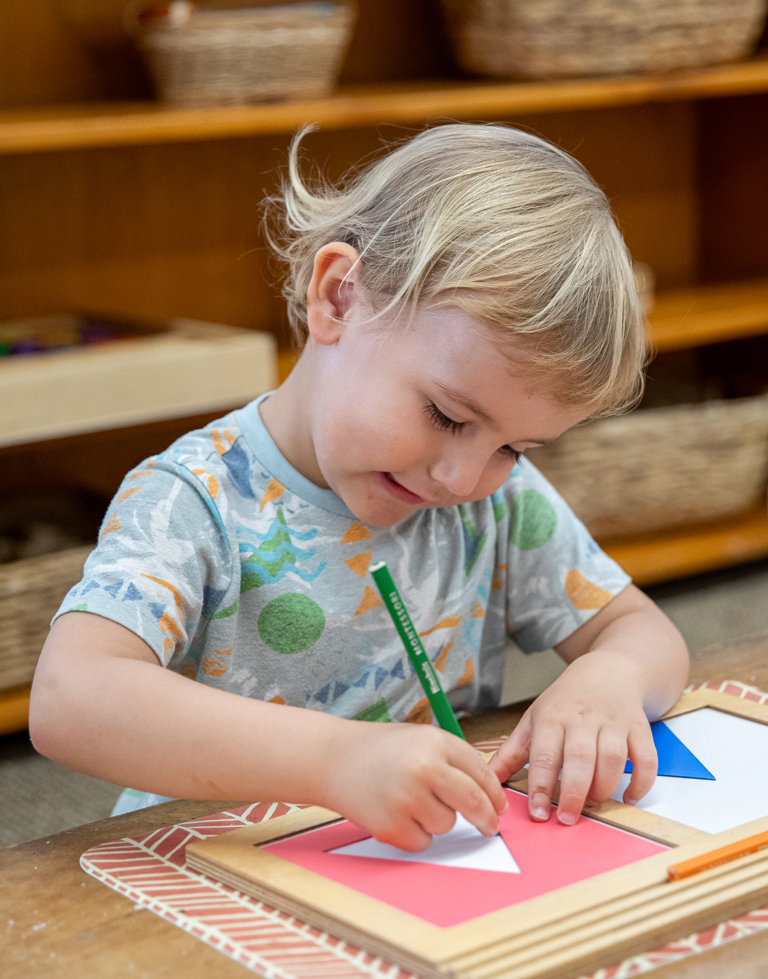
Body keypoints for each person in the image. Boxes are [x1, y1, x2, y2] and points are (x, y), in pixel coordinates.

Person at [30, 124, 688, 852]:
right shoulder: (192, 499)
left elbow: (642, 631)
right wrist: (336, 759)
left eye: (514, 446)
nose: (462, 476)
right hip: (211, 877)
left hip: (411, 869)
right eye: (446, 414)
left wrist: (611, 677)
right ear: (340, 297)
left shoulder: (497, 500)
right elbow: (71, 699)